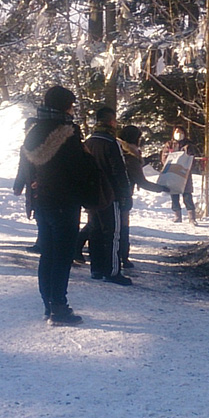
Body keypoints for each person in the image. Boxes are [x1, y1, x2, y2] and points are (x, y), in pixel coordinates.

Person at [20, 85, 95, 325]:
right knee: (62, 256)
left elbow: (27, 166)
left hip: (42, 199)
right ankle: (59, 308)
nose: (73, 109)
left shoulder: (33, 130)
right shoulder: (67, 132)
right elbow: (79, 170)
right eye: (71, 105)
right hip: (65, 200)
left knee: (48, 254)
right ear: (65, 105)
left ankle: (48, 305)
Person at [84, 106, 133, 286]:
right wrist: (125, 195)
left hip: (92, 193)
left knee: (95, 230)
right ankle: (112, 271)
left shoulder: (89, 142)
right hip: (110, 194)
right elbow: (119, 171)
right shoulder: (111, 143)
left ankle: (96, 268)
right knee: (112, 233)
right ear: (110, 121)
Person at [117, 125, 169, 269]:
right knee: (122, 227)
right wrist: (161, 188)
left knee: (99, 225)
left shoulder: (118, 150)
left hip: (112, 194)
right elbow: (141, 181)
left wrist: (145, 161)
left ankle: (78, 248)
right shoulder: (131, 157)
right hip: (123, 195)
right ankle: (123, 257)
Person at [13, 117, 40, 253]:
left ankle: (43, 242)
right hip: (32, 183)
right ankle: (42, 241)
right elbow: (22, 167)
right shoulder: (25, 147)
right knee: (38, 212)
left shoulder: (43, 145)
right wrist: (19, 184)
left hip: (40, 184)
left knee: (41, 212)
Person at [161, 125, 198, 223]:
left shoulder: (188, 145)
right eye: (176, 132)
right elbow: (164, 157)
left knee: (187, 196)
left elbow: (192, 159)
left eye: (180, 132)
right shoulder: (169, 144)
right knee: (174, 195)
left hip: (184, 173)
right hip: (172, 173)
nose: (178, 134)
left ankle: (192, 217)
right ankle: (177, 216)